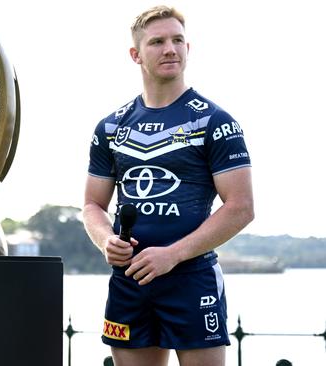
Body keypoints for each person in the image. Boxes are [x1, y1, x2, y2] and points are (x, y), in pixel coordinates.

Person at [82, 6, 254, 366]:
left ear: (188, 48)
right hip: (130, 281)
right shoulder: (111, 127)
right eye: (157, 42)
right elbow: (93, 206)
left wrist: (172, 254)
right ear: (136, 54)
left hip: (191, 280)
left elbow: (240, 207)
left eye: (177, 40)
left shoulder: (214, 121)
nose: (170, 49)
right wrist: (105, 241)